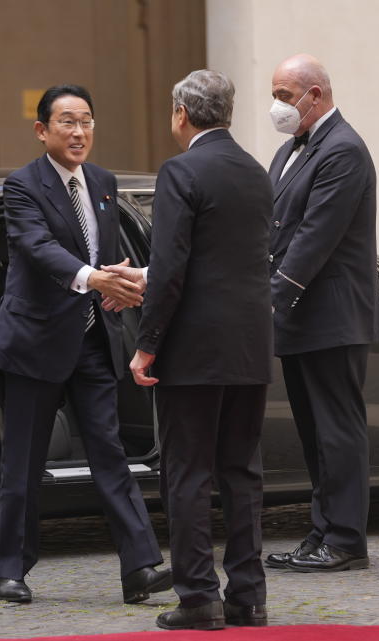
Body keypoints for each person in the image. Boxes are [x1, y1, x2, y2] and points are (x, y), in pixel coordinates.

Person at [0, 84, 171, 605]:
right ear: (43, 130)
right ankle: (12, 570)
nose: (79, 131)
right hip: (34, 343)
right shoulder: (23, 185)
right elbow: (36, 247)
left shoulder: (105, 184)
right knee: (24, 462)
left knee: (110, 454)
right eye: (66, 121)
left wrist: (120, 280)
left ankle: (140, 568)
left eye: (86, 120)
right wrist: (93, 278)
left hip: (92, 342)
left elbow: (103, 257)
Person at [107, 70, 273, 630]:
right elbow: (224, 261)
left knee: (187, 474)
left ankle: (199, 597)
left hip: (195, 351)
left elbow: (175, 269)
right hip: (249, 345)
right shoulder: (255, 172)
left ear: (181, 113)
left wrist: (146, 346)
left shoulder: (181, 171)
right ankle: (249, 597)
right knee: (241, 473)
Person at [263, 53, 379, 573]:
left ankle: (346, 541)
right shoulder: (290, 150)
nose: (277, 106)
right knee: (315, 433)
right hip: (303, 318)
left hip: (331, 316)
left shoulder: (343, 150)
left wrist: (270, 298)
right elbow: (274, 228)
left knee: (338, 430)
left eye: (285, 96)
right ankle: (323, 530)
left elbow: (315, 237)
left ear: (316, 94)